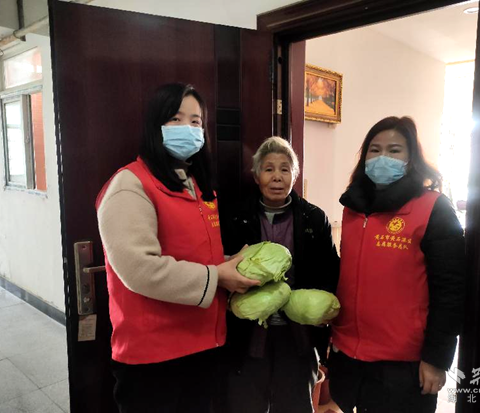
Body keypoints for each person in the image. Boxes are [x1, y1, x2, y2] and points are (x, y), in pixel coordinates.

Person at [95, 83, 259, 413]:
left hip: (203, 347)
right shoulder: (130, 184)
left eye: (196, 122)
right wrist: (218, 276)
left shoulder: (196, 186)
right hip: (154, 360)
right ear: (155, 125)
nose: (188, 128)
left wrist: (233, 265)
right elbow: (140, 269)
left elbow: (195, 256)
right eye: (175, 119)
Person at [328, 116, 466, 412]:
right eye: (374, 150)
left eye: (394, 151)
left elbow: (451, 290)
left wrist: (437, 358)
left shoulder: (433, 208)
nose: (383, 158)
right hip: (348, 355)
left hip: (404, 364)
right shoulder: (353, 208)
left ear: (411, 158)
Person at [219, 136, 340, 413]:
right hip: (247, 335)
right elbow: (219, 267)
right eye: (268, 169)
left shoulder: (314, 218)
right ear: (256, 176)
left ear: (294, 176)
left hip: (298, 336)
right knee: (246, 405)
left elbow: (330, 270)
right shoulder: (235, 216)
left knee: (295, 405)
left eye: (285, 169)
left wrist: (327, 314)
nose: (277, 177)